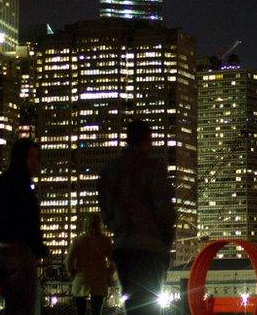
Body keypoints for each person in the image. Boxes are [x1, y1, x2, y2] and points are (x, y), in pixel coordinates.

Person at [98, 120, 176, 314]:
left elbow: (105, 209)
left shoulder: (111, 169)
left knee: (132, 305)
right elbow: (164, 210)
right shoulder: (153, 168)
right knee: (150, 305)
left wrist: (117, 225)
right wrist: (166, 243)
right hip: (151, 249)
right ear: (147, 139)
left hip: (124, 247)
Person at [0, 138, 48, 313]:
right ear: (20, 157)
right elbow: (27, 220)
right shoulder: (22, 186)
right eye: (31, 157)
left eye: (37, 158)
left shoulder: (2, 182)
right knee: (22, 306)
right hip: (19, 251)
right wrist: (39, 248)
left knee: (13, 305)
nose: (35, 162)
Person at [65, 214, 114, 315]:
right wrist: (109, 274)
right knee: (97, 311)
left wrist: (72, 273)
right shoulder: (106, 241)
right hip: (99, 279)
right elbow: (113, 262)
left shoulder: (78, 240)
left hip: (82, 278)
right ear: (99, 224)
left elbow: (68, 261)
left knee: (80, 311)